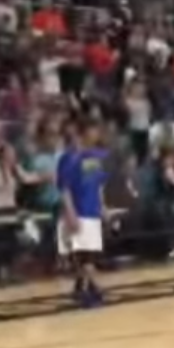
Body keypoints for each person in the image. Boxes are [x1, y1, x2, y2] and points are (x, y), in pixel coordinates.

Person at [57, 118, 108, 307]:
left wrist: (102, 206)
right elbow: (64, 188)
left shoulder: (93, 158)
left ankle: (83, 286)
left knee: (91, 253)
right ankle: (90, 287)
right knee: (84, 255)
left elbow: (97, 184)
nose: (96, 135)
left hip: (92, 210)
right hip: (79, 210)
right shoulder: (69, 158)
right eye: (93, 131)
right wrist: (70, 213)